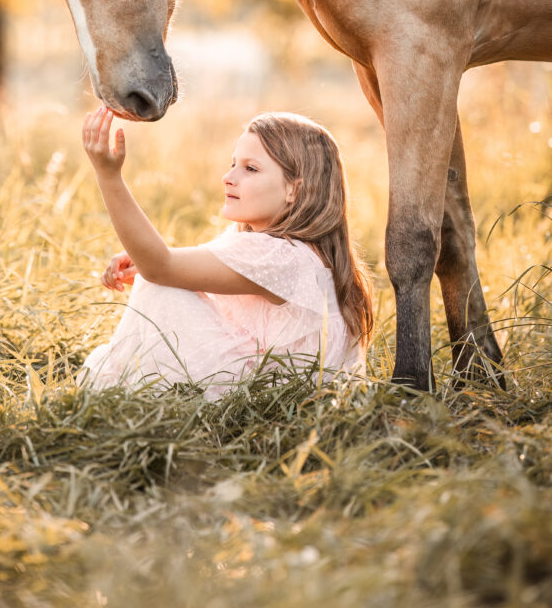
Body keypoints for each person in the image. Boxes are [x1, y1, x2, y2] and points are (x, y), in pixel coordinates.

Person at [77, 108, 373, 400]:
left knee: (161, 287)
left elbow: (162, 266)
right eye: (233, 164)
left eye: (250, 169)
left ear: (294, 191)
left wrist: (109, 176)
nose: (228, 177)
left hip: (260, 398)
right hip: (270, 387)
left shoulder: (280, 256)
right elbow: (173, 264)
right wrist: (143, 264)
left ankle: (118, 386)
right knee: (161, 279)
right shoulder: (298, 252)